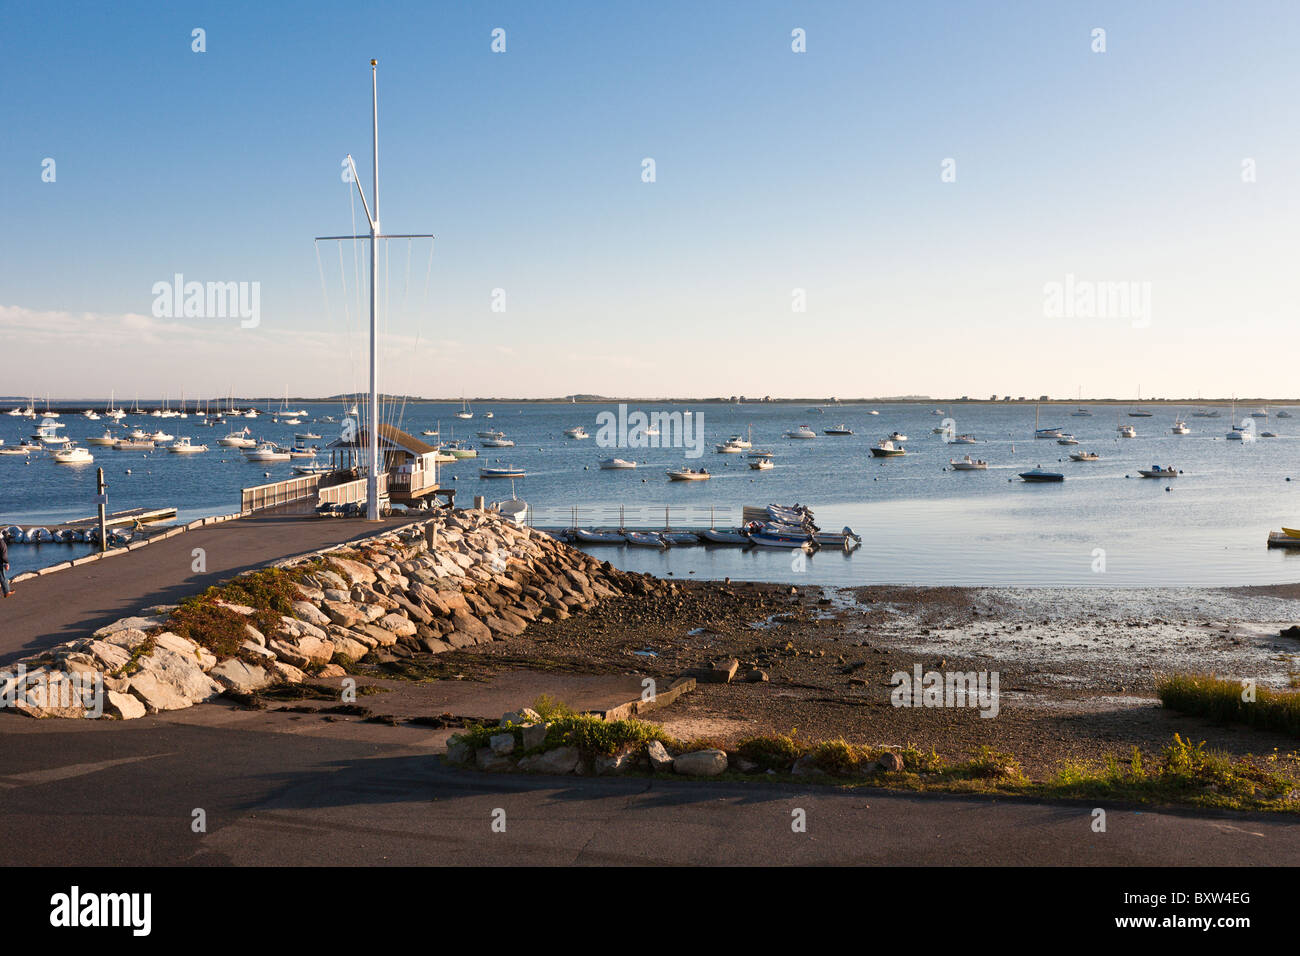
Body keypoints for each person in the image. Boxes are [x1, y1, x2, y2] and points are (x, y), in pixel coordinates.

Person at [0, 531, 10, 597]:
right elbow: (4, 554)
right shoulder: (1, 543)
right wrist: (6, 563)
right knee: (3, 578)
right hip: (0, 563)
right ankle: (6, 592)